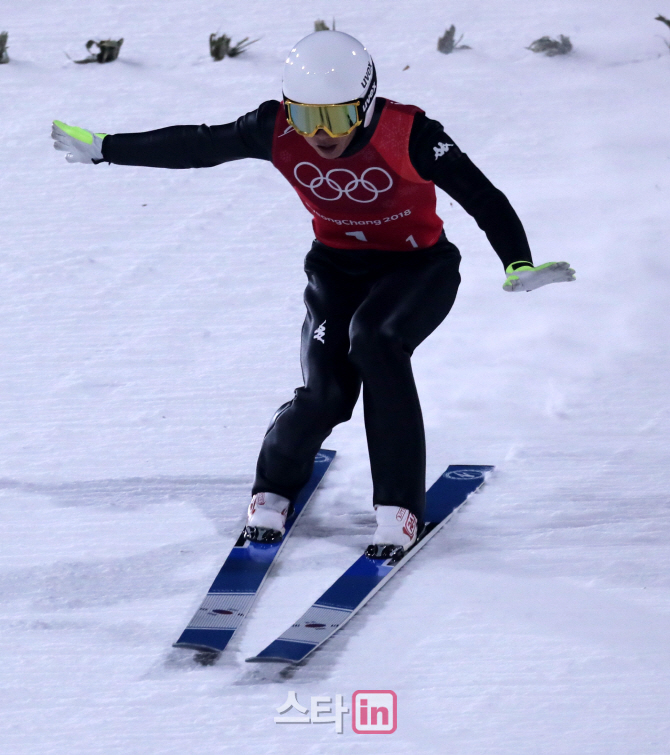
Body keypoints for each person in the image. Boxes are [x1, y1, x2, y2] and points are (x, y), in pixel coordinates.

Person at [51, 30, 574, 557]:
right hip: (337, 271)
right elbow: (200, 145)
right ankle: (273, 486)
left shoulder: (411, 134)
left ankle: (399, 507)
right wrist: (105, 150)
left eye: (338, 118)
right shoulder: (274, 129)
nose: (321, 135)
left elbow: (482, 195)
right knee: (328, 393)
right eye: (306, 118)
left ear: (367, 105)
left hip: (419, 269)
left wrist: (517, 261)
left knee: (375, 339)